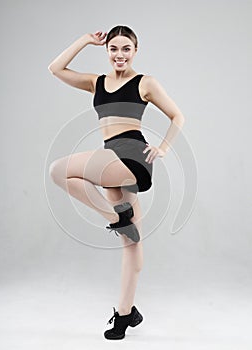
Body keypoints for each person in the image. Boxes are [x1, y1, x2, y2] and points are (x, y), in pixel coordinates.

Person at [48, 25, 185, 340]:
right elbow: (55, 69)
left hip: (133, 157)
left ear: (135, 51)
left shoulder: (145, 83)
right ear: (106, 51)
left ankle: (115, 217)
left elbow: (178, 115)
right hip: (111, 161)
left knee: (58, 169)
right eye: (113, 48)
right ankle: (125, 315)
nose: (119, 54)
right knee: (132, 242)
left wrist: (163, 147)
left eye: (126, 48)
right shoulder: (96, 82)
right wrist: (84, 40)